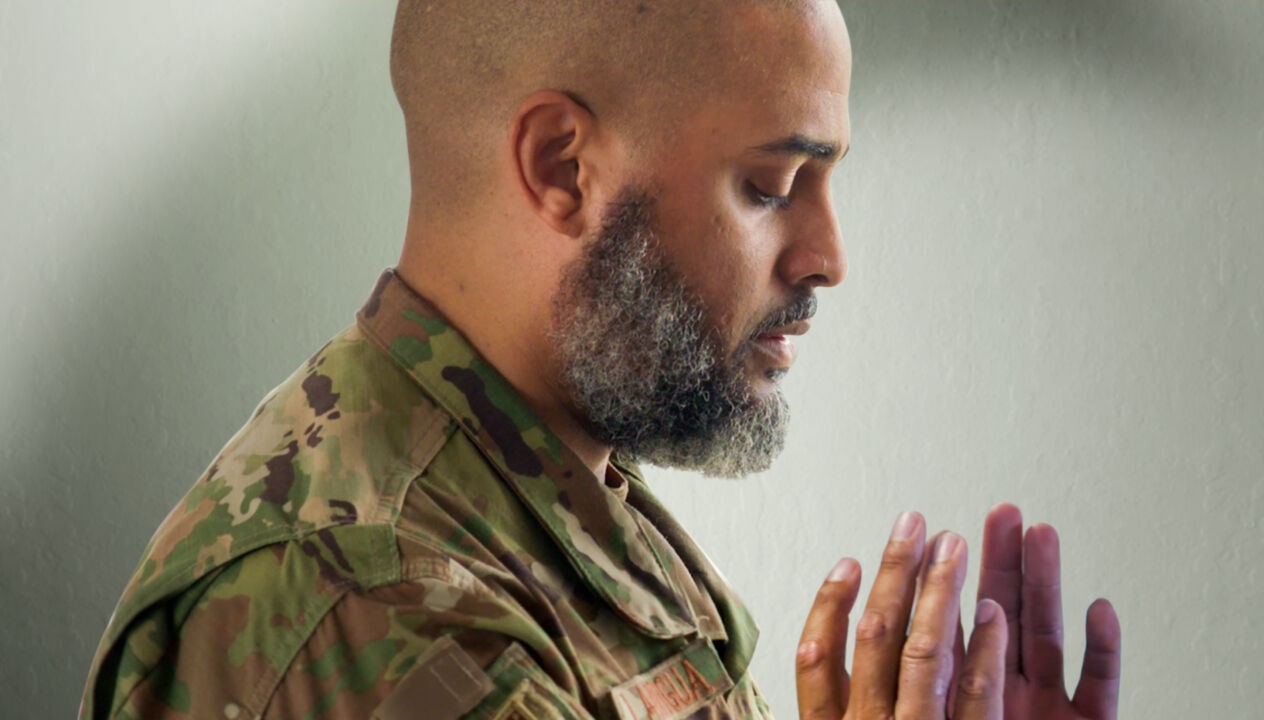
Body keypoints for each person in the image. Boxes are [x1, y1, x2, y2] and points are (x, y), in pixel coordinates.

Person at [81, 1, 1121, 718]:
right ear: (560, 168)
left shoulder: (553, 501)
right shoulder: (373, 606)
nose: (827, 257)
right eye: (767, 185)